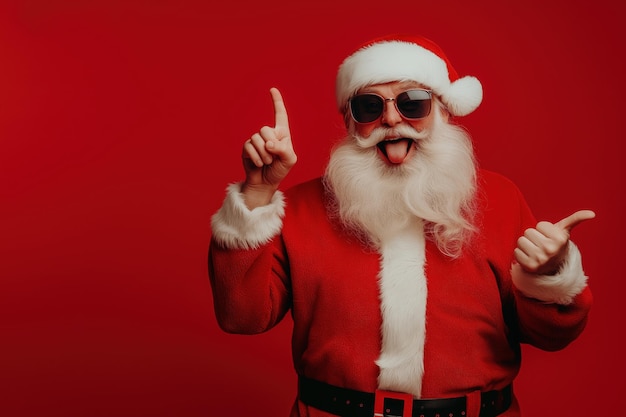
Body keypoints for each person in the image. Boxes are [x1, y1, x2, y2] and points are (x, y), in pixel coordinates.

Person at [208, 34, 595, 417]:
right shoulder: (302, 207)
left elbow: (552, 336)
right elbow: (242, 317)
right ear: (349, 121)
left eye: (413, 103)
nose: (391, 119)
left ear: (443, 111)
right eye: (368, 106)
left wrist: (550, 278)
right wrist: (257, 193)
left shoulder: (501, 198)